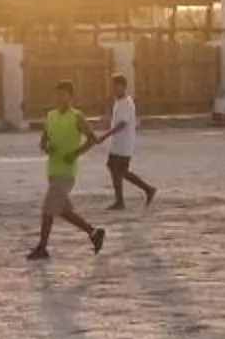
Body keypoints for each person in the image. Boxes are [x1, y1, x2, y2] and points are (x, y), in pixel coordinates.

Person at [30, 81, 106, 260]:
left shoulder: (77, 116)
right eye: (57, 94)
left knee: (48, 209)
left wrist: (76, 153)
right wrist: (48, 148)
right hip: (53, 170)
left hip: (67, 172)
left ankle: (42, 247)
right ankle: (94, 233)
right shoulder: (50, 116)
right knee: (62, 210)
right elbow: (43, 141)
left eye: (63, 94)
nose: (59, 98)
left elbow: (92, 139)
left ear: (71, 97)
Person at [104, 73, 155, 210]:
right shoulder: (118, 101)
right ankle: (143, 191)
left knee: (119, 171)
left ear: (123, 87)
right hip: (116, 143)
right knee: (114, 168)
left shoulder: (127, 103)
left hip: (125, 144)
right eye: (113, 86)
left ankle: (143, 191)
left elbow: (122, 124)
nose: (113, 89)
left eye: (116, 86)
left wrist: (105, 135)